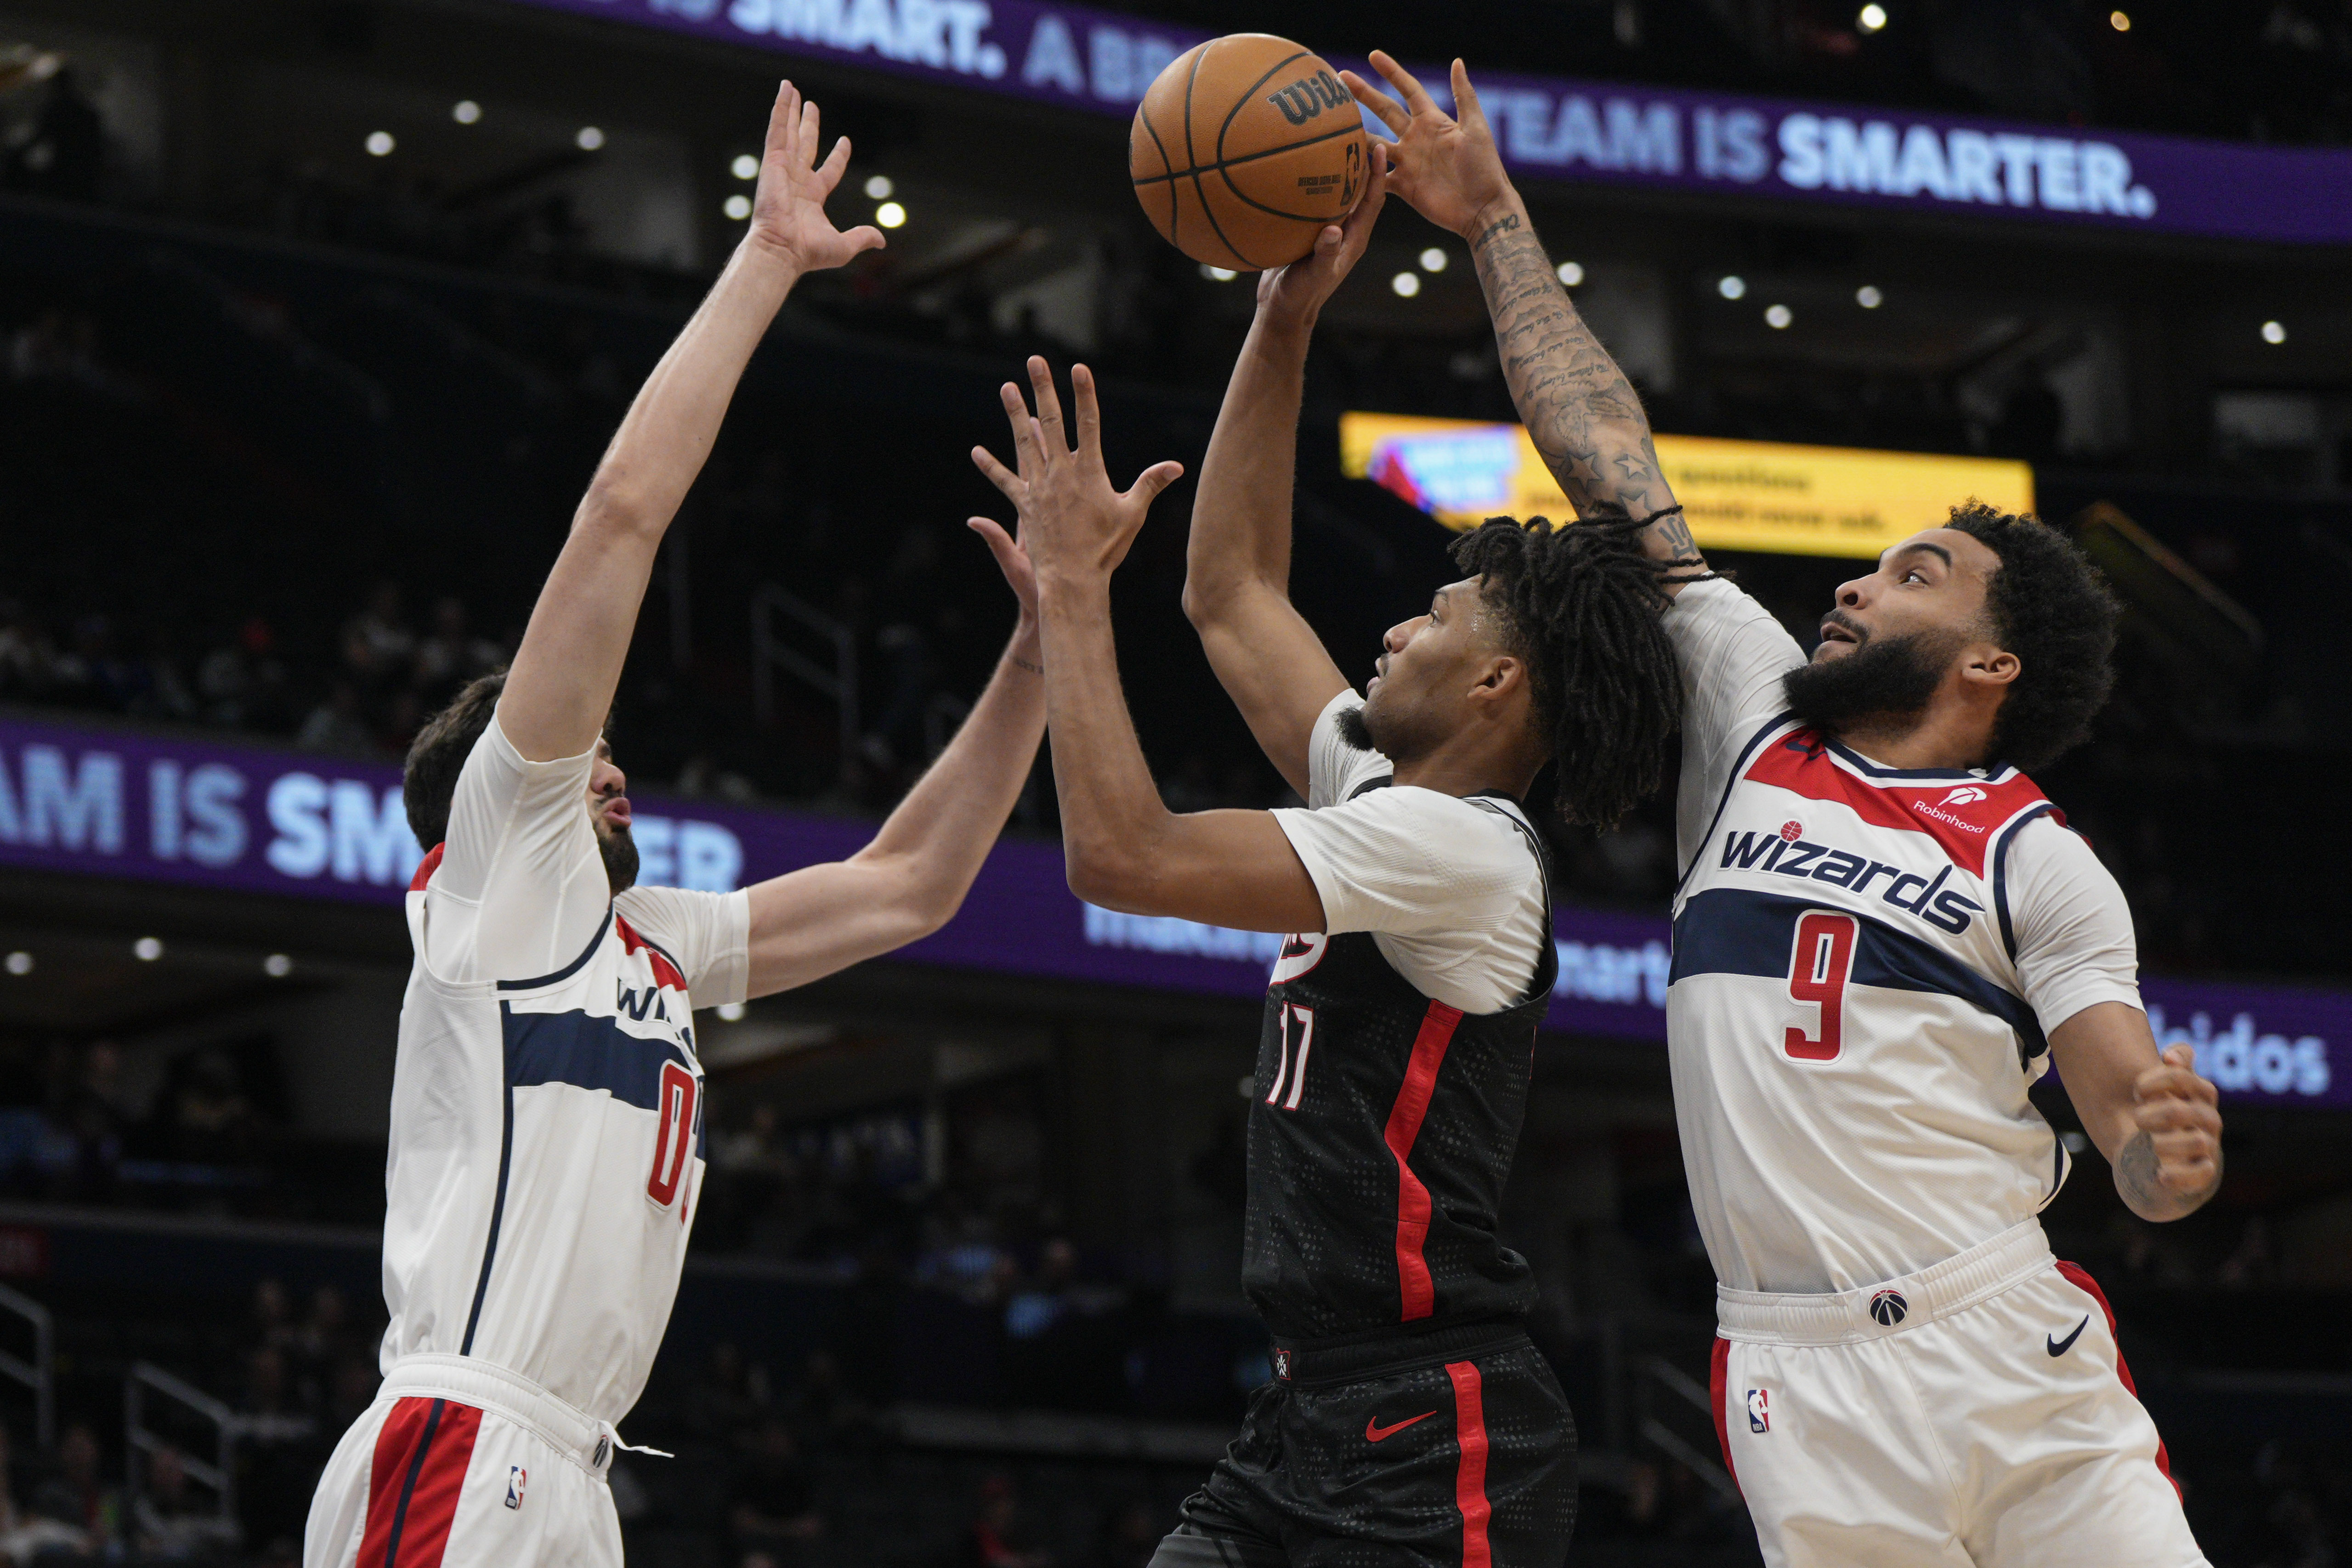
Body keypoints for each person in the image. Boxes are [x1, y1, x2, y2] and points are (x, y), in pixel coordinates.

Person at [1345, 50, 2222, 1568]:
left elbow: (2127, 1132)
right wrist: (1492, 221)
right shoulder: (1750, 715)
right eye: (1874, 564)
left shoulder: (2040, 859)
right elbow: (1607, 459)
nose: (1854, 583)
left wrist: (2167, 1154)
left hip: (2005, 1342)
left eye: (1910, 577)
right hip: (1794, 1372)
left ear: (1991, 661)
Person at [304, 83, 1050, 1568]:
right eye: (585, 763)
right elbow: (620, 520)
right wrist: (767, 261)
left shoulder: (642, 943)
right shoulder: (500, 872)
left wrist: (1053, 638)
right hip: (467, 1437)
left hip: (576, 1471)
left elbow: (912, 887)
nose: (611, 772)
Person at [968, 149, 1687, 1568]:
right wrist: (1284, 316)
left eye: (1436, 622)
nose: (1398, 633)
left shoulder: (1459, 853)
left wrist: (1066, 592)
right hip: (1312, 1416)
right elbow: (1230, 591)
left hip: (1435, 1438)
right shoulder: (1385, 791)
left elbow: (1120, 857)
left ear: (1500, 693)